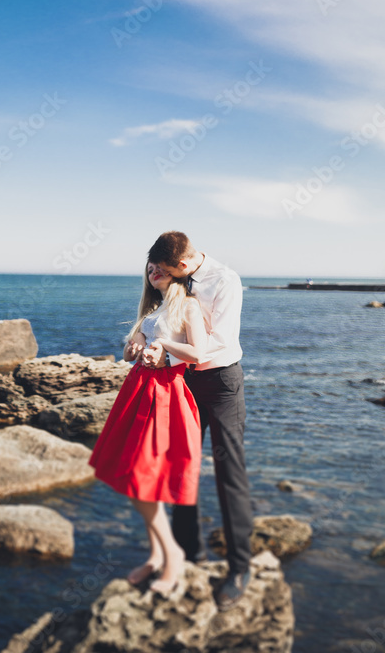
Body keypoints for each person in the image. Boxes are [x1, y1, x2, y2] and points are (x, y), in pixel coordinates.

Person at [145, 231, 254, 610]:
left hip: (221, 385)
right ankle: (188, 554)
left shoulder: (226, 281)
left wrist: (169, 355)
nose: (163, 275)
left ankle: (241, 568)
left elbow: (219, 342)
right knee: (180, 468)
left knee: (230, 474)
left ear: (186, 264)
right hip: (182, 383)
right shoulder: (174, 277)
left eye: (167, 270)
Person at [89, 259, 209, 594]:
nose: (152, 271)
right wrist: (134, 345)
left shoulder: (188, 306)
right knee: (138, 478)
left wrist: (164, 348)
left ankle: (172, 552)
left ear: (177, 269)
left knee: (143, 479)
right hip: (139, 390)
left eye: (160, 266)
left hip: (166, 394)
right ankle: (157, 554)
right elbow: (130, 355)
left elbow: (198, 354)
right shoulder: (152, 309)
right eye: (149, 267)